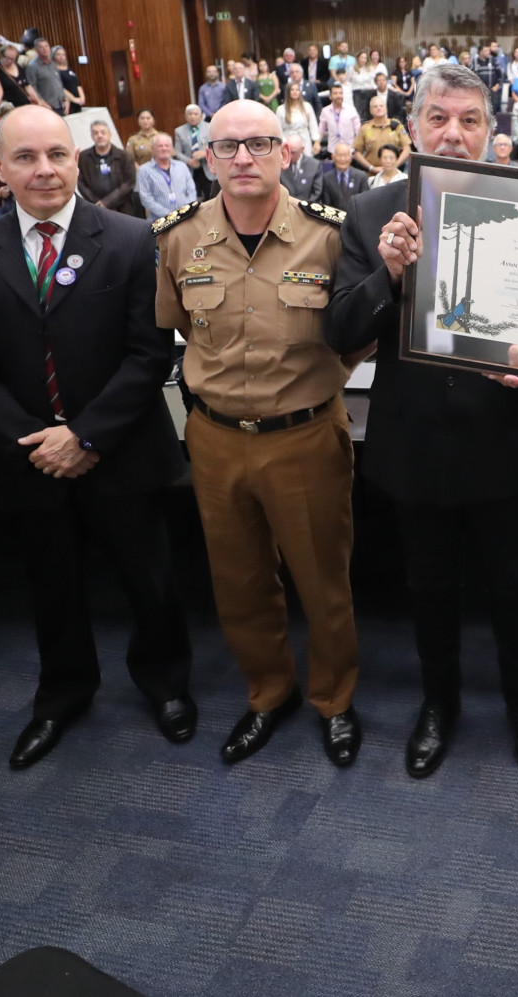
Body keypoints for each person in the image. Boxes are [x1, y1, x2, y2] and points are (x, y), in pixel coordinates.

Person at [325, 63, 518, 779]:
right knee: (428, 589)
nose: (453, 131)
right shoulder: (369, 212)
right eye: (438, 117)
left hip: (501, 439)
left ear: (490, 130)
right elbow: (340, 329)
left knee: (514, 586)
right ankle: (437, 704)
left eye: (469, 119)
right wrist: (385, 270)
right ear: (412, 127)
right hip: (411, 444)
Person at [0, 108, 194, 769]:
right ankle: (62, 692)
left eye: (57, 153)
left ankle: (167, 683)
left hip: (120, 450)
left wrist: (84, 435)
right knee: (51, 586)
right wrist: (41, 440)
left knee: (151, 580)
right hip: (31, 463)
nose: (45, 169)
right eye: (25, 157)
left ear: (77, 158)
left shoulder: (132, 238)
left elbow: (149, 353)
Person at [155, 100, 362, 770]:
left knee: (321, 579)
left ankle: (333, 700)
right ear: (205, 157)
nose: (243, 157)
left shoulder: (330, 236)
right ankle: (267, 693)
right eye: (228, 147)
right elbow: (180, 327)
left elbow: (356, 332)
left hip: (303, 436)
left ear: (286, 151)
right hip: (214, 437)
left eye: (259, 143)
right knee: (238, 580)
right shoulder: (178, 238)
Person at [77, 119, 140, 217]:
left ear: (110, 135)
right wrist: (97, 203)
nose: (100, 135)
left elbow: (129, 182)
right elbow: (80, 183)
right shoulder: (84, 158)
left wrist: (107, 202)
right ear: (92, 136)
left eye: (103, 132)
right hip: (95, 209)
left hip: (122, 209)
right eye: (95, 133)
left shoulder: (124, 156)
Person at [137, 132, 199, 222]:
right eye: (160, 146)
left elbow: (192, 190)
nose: (164, 148)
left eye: (167, 145)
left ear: (171, 148)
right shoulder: (144, 170)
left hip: (186, 218)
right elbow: (146, 198)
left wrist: (185, 211)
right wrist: (171, 216)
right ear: (152, 149)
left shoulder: (182, 166)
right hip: (160, 221)